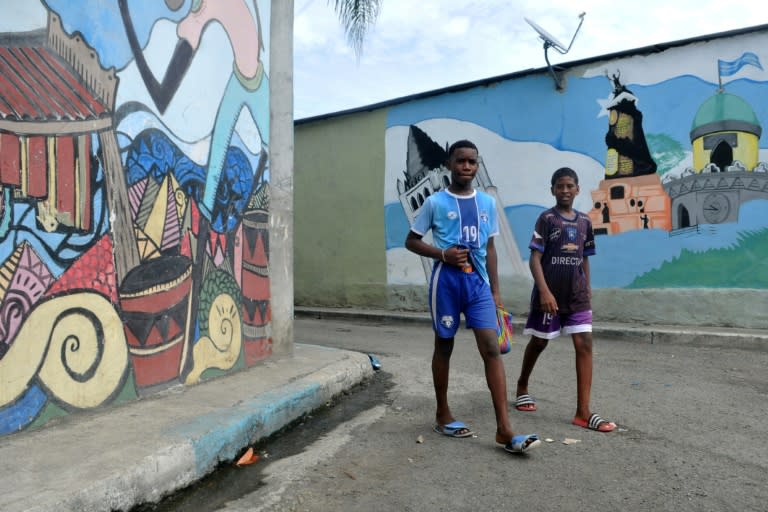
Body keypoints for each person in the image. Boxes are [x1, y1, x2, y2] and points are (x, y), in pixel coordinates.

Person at [405, 140, 540, 454]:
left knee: (492, 349)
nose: (467, 167)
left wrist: (495, 291)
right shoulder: (435, 203)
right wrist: (442, 253)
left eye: (472, 162)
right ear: (449, 165)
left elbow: (489, 249)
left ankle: (505, 430)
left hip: (478, 286)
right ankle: (442, 413)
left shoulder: (487, 204)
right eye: (461, 161)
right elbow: (411, 241)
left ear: (477, 166)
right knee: (445, 345)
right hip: (446, 283)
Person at [513, 167, 616, 432]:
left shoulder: (584, 222)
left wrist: (587, 286)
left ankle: (583, 412)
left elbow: (584, 257)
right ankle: (522, 385)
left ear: (578, 189)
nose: (565, 190)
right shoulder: (546, 219)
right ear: (553, 190)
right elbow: (535, 258)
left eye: (570, 186)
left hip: (577, 294)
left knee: (584, 344)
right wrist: (545, 292)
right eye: (560, 186)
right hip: (550, 296)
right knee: (539, 342)